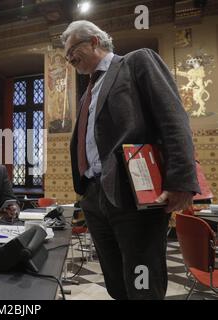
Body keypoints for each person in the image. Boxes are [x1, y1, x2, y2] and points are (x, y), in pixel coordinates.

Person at [62, 21, 199, 300]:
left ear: (94, 42)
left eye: (72, 50)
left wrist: (181, 181)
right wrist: (86, 192)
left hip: (134, 191)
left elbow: (173, 119)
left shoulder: (136, 62)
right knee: (116, 282)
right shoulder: (88, 90)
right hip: (94, 195)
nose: (69, 59)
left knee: (142, 283)